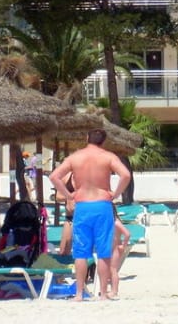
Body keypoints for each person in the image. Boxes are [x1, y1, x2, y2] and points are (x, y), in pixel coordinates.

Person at [49, 128, 131, 301]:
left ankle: (79, 294)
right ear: (103, 141)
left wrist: (69, 194)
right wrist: (116, 193)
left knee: (80, 252)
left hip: (82, 205)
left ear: (87, 138)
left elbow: (54, 176)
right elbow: (125, 175)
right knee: (103, 252)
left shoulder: (75, 157)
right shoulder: (108, 157)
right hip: (102, 205)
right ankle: (102, 294)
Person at [104, 203, 131, 299]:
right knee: (108, 270)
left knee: (113, 270)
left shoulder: (116, 222)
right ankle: (109, 289)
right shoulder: (109, 222)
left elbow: (127, 234)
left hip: (115, 248)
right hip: (109, 248)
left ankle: (114, 291)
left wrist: (123, 246)